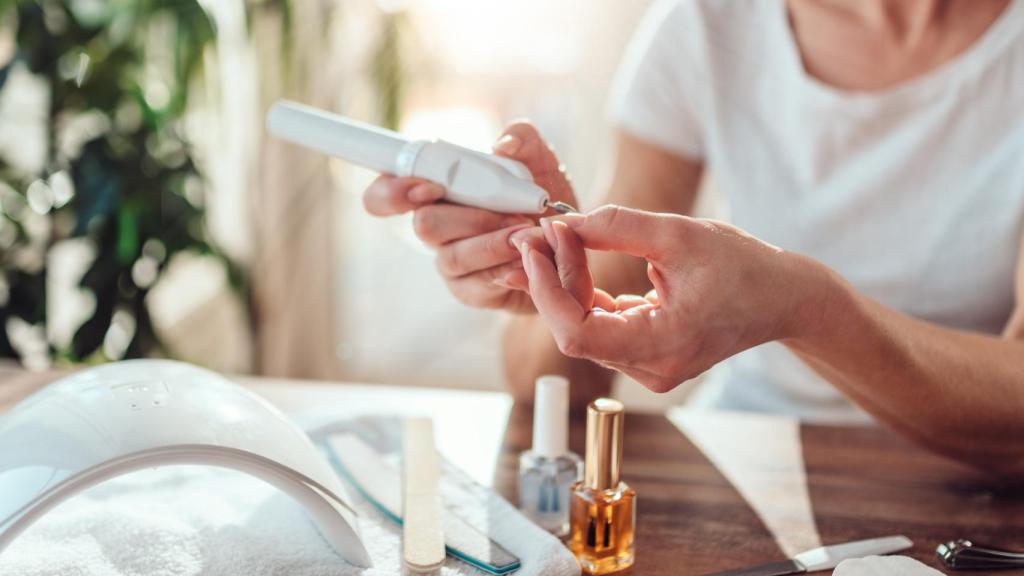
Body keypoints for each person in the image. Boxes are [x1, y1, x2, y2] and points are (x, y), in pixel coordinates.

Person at [362, 0, 1024, 473]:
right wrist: (539, 270)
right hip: (744, 459)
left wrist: (803, 307)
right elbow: (560, 380)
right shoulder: (710, 24)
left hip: (967, 489)